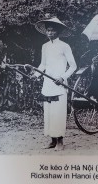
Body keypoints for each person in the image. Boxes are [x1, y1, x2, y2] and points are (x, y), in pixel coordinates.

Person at [33, 17, 77, 151]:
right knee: (49, 112)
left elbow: (73, 66)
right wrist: (36, 75)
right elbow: (43, 64)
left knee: (58, 112)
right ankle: (52, 140)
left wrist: (63, 78)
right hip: (47, 84)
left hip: (59, 84)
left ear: (58, 32)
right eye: (48, 30)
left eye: (52, 30)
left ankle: (60, 141)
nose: (50, 33)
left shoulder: (65, 46)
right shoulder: (44, 46)